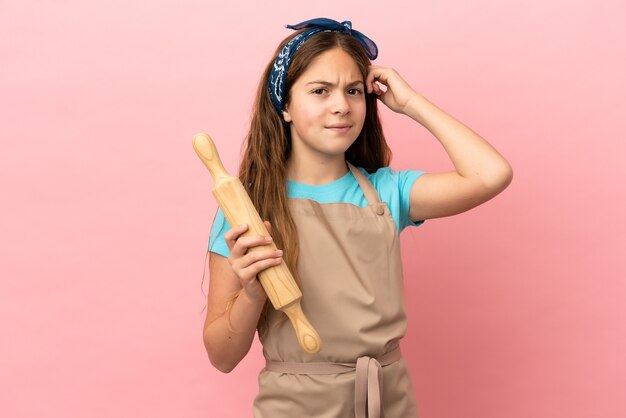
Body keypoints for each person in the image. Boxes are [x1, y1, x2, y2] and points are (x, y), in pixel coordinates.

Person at [202, 18, 513, 418]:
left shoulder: (387, 193)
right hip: (293, 408)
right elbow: (222, 356)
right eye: (320, 91)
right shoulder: (246, 209)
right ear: (284, 107)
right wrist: (253, 291)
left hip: (389, 401)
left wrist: (411, 104)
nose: (341, 106)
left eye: (353, 90)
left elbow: (492, 175)